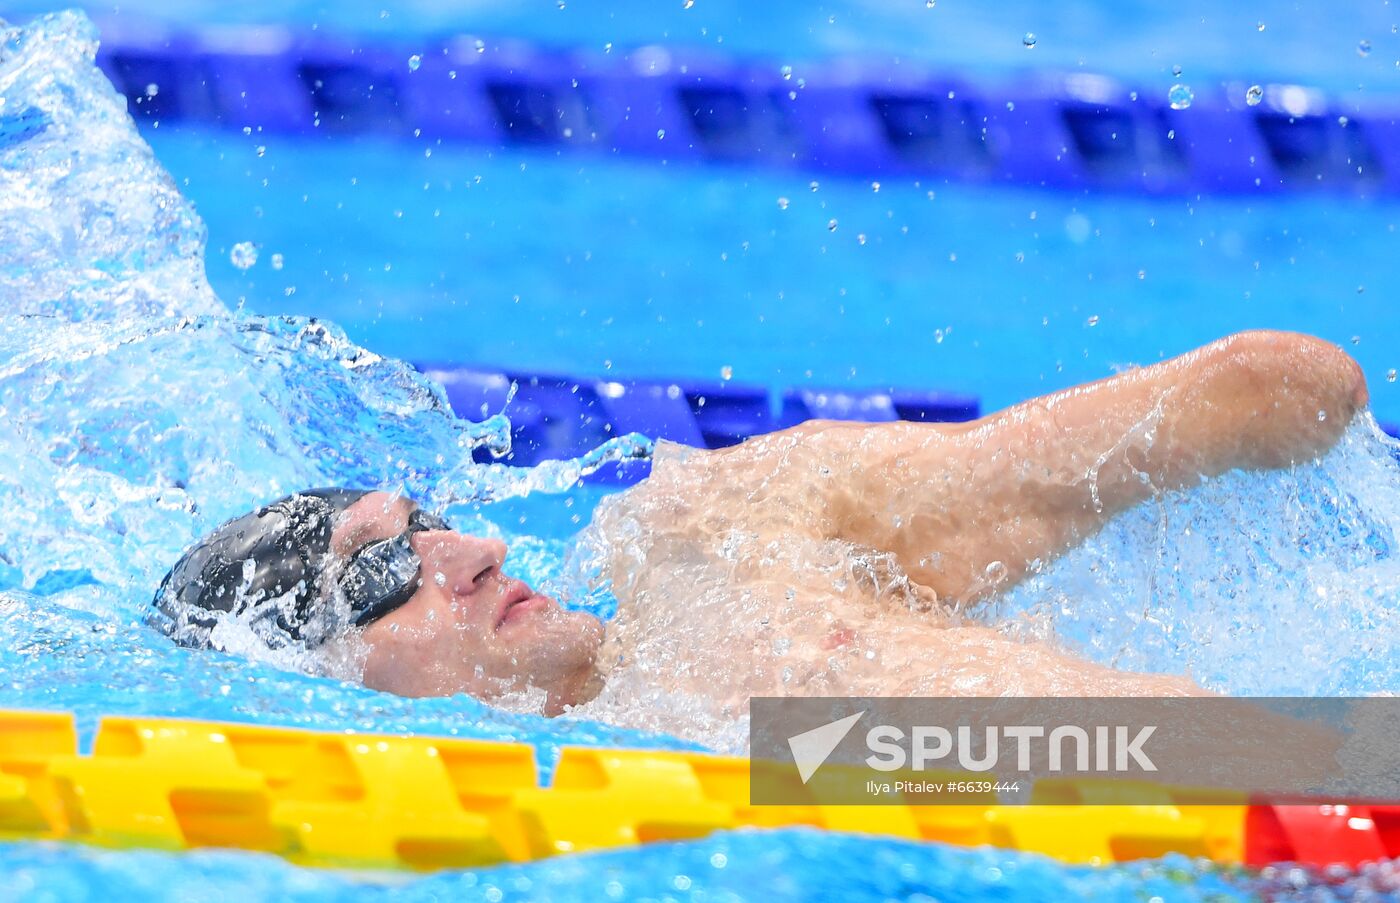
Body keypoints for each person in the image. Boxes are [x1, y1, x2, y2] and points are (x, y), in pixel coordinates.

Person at [151, 330, 1369, 718]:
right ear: (305, 681)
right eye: (383, 582)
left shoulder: (716, 527)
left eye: (432, 526)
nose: (473, 555)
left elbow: (1284, 387)